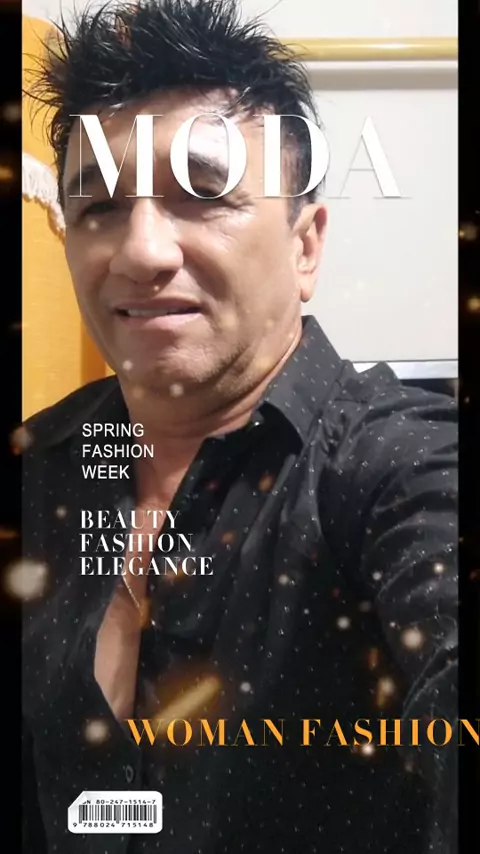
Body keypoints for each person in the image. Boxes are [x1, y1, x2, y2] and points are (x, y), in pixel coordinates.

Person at [21, 1, 458, 852]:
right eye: (98, 206)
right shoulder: (38, 466)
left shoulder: (396, 463)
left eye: (203, 195)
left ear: (305, 246)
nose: (141, 252)